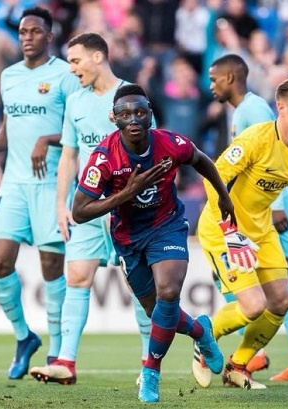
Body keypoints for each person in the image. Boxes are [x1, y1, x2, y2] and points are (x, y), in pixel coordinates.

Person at [72, 83, 234, 402]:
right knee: (157, 311)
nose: (133, 118)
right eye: (124, 113)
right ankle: (201, 331)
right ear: (114, 118)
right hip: (128, 238)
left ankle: (151, 370)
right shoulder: (103, 158)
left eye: (139, 112)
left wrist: (223, 195)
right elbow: (79, 211)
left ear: (150, 115)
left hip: (167, 225)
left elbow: (201, 160)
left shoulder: (169, 143)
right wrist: (125, 195)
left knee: (169, 292)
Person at [29, 32, 151, 386]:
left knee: (138, 287)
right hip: (86, 208)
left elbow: (152, 150)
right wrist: (61, 205)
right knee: (78, 277)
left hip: (128, 209)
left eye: (77, 60)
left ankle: (148, 365)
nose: (72, 69)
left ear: (98, 57)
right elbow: (69, 155)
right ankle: (66, 361)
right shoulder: (76, 102)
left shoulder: (131, 98)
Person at [0, 7, 80, 380]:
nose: (27, 37)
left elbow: (77, 129)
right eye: (22, 31)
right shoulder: (9, 76)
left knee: (51, 267)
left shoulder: (65, 76)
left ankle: (55, 352)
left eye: (35, 31)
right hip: (16, 184)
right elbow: (10, 127)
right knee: (0, 260)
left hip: (53, 183)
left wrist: (48, 139)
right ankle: (24, 337)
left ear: (49, 37)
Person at [192, 54, 288, 387]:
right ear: (281, 108)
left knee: (281, 301)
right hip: (224, 228)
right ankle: (202, 338)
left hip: (261, 226)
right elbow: (212, 178)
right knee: (253, 306)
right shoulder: (256, 135)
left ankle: (238, 364)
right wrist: (230, 230)